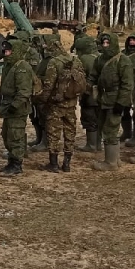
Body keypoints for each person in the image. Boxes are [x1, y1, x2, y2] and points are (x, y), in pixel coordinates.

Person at [38, 36, 83, 173]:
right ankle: (67, 164)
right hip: (71, 104)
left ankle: (53, 164)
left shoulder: (53, 62)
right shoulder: (75, 60)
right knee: (70, 134)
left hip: (56, 105)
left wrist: (42, 101)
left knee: (54, 134)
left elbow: (48, 85)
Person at [92, 32, 134, 171]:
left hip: (115, 100)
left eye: (108, 43)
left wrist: (121, 103)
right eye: (103, 43)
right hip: (103, 99)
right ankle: (115, 159)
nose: (105, 46)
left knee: (110, 130)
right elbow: (93, 76)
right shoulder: (99, 60)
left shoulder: (123, 60)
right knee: (106, 128)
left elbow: (127, 84)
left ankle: (110, 163)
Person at [0, 38, 34, 176]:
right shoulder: (9, 66)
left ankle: (16, 164)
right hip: (8, 106)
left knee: (15, 136)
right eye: (5, 51)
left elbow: (24, 91)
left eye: (9, 51)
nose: (6, 54)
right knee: (6, 135)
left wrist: (15, 105)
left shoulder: (22, 67)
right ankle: (11, 162)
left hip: (17, 109)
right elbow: (4, 84)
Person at [74, 35, 100, 152]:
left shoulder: (84, 59)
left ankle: (91, 145)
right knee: (98, 119)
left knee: (89, 118)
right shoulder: (99, 56)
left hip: (89, 95)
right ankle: (98, 144)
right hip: (100, 95)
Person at [119, 33, 135, 148]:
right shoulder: (123, 53)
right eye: (131, 40)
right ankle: (126, 132)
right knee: (124, 111)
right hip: (125, 87)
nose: (132, 42)